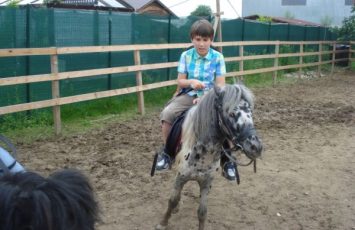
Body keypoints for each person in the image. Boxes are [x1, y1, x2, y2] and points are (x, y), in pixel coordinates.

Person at [154, 19, 237, 181]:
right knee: (167, 113)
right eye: (198, 39)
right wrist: (191, 82)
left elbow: (220, 85)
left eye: (205, 40)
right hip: (189, 94)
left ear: (211, 40)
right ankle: (167, 153)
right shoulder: (185, 56)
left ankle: (229, 161)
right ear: (192, 39)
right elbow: (180, 81)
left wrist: (205, 98)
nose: (201, 44)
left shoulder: (218, 57)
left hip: (213, 96)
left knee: (228, 119)